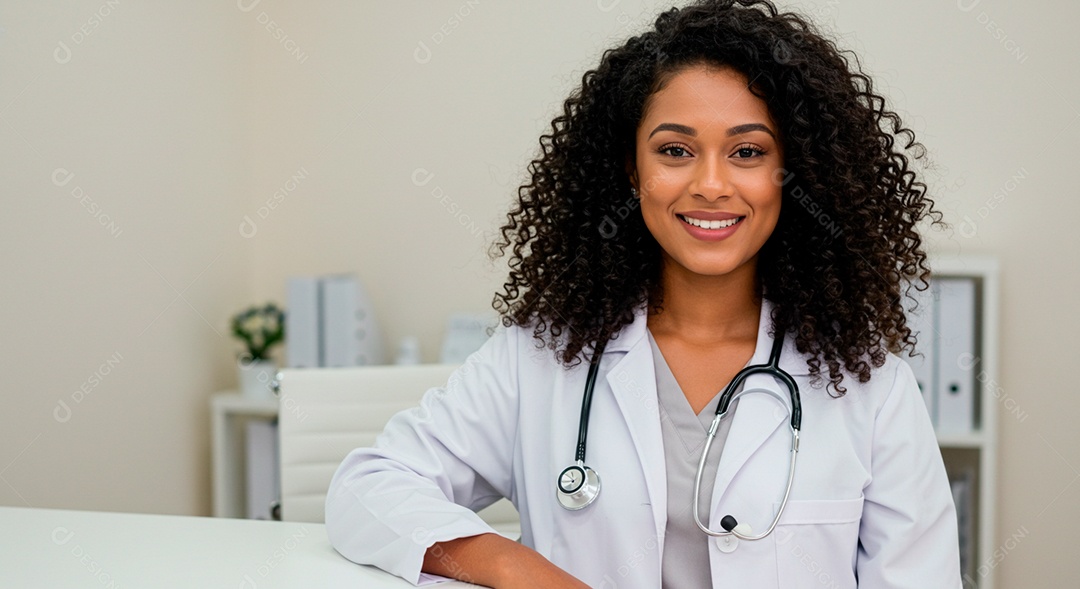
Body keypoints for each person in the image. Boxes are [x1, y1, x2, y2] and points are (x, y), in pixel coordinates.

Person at [325, 0, 961, 587]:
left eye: (746, 151)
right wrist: (521, 569)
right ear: (633, 170)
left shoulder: (869, 384)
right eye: (676, 150)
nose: (711, 185)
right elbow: (368, 488)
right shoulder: (541, 356)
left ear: (791, 173)